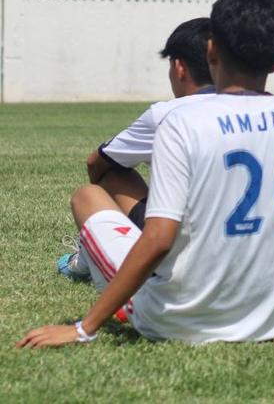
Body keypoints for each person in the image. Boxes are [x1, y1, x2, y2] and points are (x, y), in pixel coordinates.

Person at [19, 0, 274, 347]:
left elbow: (159, 237)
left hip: (174, 321)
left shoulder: (182, 122)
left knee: (88, 196)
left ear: (212, 50)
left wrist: (82, 328)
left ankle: (93, 271)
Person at [58, 17, 214, 281]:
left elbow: (96, 162)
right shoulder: (266, 113)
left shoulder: (168, 114)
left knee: (93, 190)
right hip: (244, 249)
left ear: (179, 68)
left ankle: (93, 254)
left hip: (177, 249)